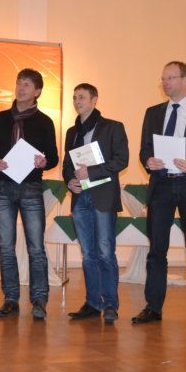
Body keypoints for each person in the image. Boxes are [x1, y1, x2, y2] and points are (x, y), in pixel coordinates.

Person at [132, 61, 186, 329]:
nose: (165, 82)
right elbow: (144, 149)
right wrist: (148, 161)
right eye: (163, 78)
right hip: (161, 186)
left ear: (185, 80)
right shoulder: (153, 113)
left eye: (171, 78)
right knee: (156, 251)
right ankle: (153, 308)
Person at [0, 68, 58, 320]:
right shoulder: (0, 118)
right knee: (6, 246)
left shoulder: (45, 122)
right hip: (2, 188)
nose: (21, 88)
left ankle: (39, 299)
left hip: (31, 188)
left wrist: (44, 162)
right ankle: (11, 298)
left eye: (27, 84)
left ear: (37, 91)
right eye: (19, 83)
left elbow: (53, 157)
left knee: (36, 247)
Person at [62, 83, 128, 324]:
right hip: (80, 197)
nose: (77, 101)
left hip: (102, 196)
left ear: (94, 100)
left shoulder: (112, 127)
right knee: (88, 254)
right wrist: (69, 181)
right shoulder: (72, 132)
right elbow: (67, 165)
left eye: (82, 97)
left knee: (105, 252)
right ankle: (92, 302)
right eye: (74, 98)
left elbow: (121, 160)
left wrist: (92, 171)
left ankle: (110, 303)